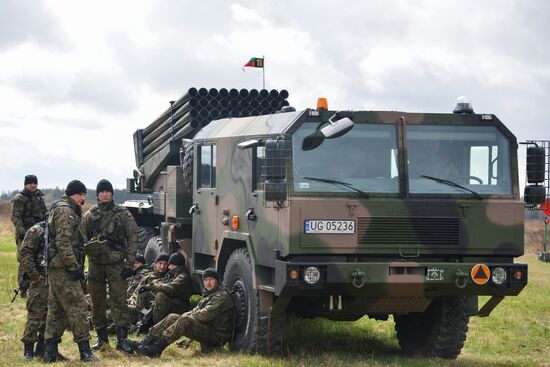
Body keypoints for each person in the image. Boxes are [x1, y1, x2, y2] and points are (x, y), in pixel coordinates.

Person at [43, 180, 98, 363]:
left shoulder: (63, 208)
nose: (84, 198)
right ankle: (85, 351)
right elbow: (63, 242)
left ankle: (50, 352)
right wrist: (73, 267)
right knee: (78, 305)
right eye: (82, 194)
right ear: (75, 194)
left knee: (56, 309)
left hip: (58, 266)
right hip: (64, 268)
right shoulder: (66, 211)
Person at [80, 179, 138, 353]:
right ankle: (102, 339)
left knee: (119, 301)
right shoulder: (90, 215)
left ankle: (123, 339)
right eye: (101, 191)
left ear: (112, 193)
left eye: (107, 191)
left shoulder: (122, 213)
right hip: (96, 264)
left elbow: (133, 237)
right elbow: (81, 240)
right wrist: (79, 265)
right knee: (96, 301)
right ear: (97, 194)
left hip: (116, 264)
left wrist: (130, 262)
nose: (105, 194)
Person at [127, 267, 234, 358]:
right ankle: (145, 341)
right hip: (208, 330)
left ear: (217, 281)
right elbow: (196, 311)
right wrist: (186, 315)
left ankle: (157, 348)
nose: (208, 282)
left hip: (217, 337)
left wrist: (187, 316)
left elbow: (205, 315)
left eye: (211, 279)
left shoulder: (221, 296)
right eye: (206, 280)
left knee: (185, 319)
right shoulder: (210, 294)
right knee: (173, 317)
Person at [11, 174, 47, 298]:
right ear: (25, 184)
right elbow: (16, 218)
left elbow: (45, 214)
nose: (33, 185)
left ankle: (36, 286)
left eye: (35, 183)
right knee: (24, 261)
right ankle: (23, 289)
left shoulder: (39, 198)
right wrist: (24, 233)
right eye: (31, 183)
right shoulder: (19, 199)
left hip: (39, 234)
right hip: (24, 235)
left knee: (38, 259)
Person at [18, 221, 49, 360]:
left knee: (51, 316)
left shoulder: (62, 230)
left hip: (57, 279)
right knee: (35, 314)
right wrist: (35, 276)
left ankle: (44, 349)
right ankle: (28, 349)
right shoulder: (37, 230)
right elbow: (24, 253)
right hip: (40, 280)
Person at [142, 252, 192, 323]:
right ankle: (143, 316)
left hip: (179, 307)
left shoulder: (183, 277)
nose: (168, 267)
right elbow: (164, 283)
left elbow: (170, 288)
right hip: (172, 303)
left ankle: (157, 324)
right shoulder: (174, 274)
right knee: (145, 293)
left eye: (170, 264)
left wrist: (152, 286)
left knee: (160, 295)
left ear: (175, 265)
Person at [128, 254, 170, 331]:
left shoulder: (168, 277)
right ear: (156, 263)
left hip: (151, 312)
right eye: (160, 263)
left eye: (165, 264)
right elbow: (136, 292)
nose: (162, 266)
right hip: (139, 309)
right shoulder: (147, 277)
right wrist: (131, 302)